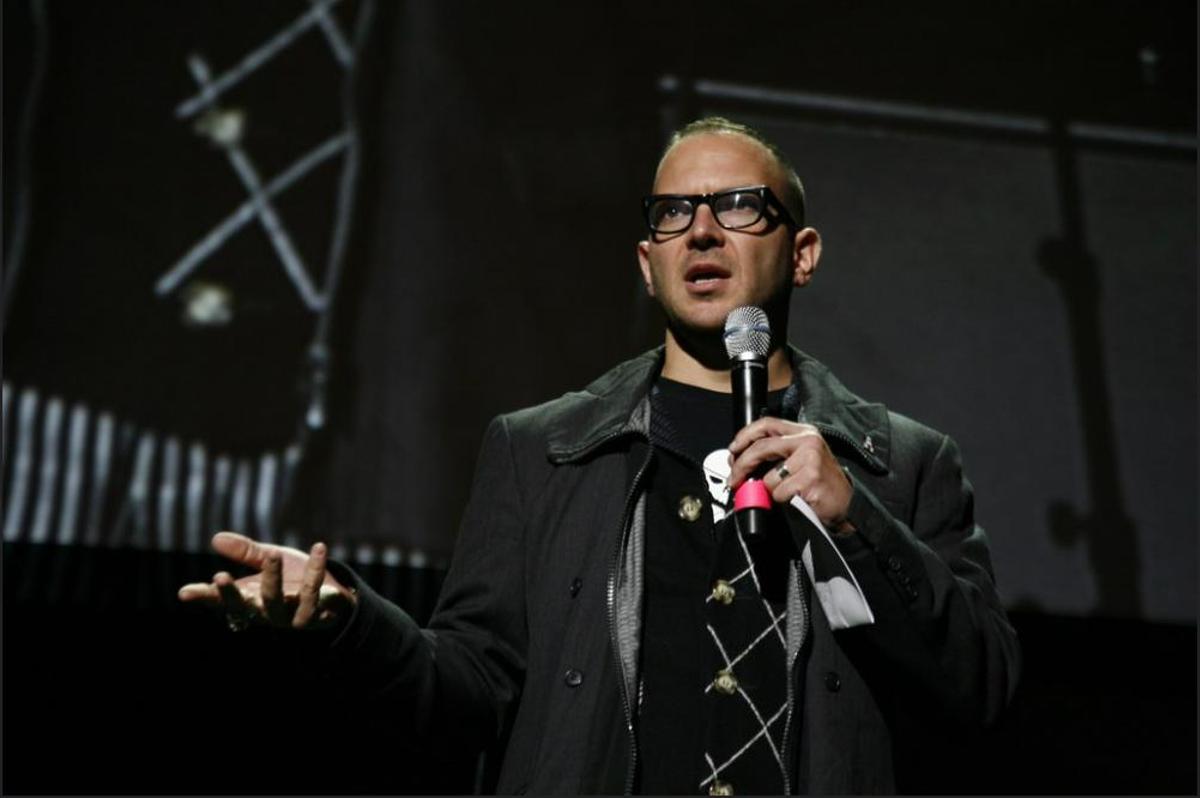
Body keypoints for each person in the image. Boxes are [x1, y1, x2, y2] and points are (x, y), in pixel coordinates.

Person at [179, 117, 1020, 795]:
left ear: (801, 255)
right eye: (672, 213)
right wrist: (349, 622)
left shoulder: (900, 464)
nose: (700, 231)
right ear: (646, 264)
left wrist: (856, 519)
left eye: (738, 207)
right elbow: (471, 688)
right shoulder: (540, 451)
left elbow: (984, 692)